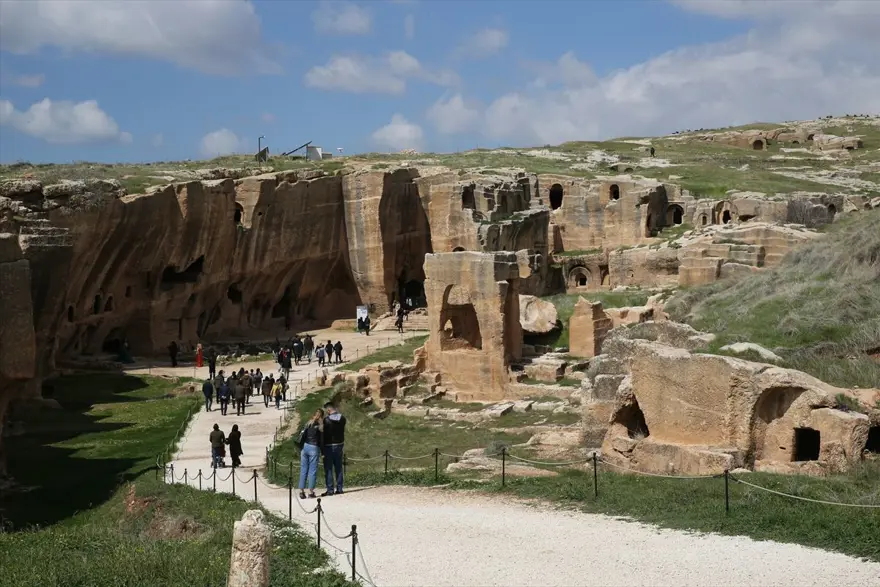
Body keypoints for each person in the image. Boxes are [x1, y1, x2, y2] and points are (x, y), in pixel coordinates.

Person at [298, 409, 324, 499]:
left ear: (314, 415)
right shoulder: (320, 426)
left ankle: (301, 491)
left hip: (305, 447)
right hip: (314, 447)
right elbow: (321, 440)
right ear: (322, 417)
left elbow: (303, 435)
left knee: (303, 469)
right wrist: (323, 452)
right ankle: (311, 492)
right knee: (312, 470)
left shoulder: (308, 423)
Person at [322, 401, 347, 496]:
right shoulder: (343, 418)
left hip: (329, 445)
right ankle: (340, 488)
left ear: (329, 409)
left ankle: (330, 489)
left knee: (328, 468)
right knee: (338, 467)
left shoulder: (326, 420)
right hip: (339, 444)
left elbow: (324, 434)